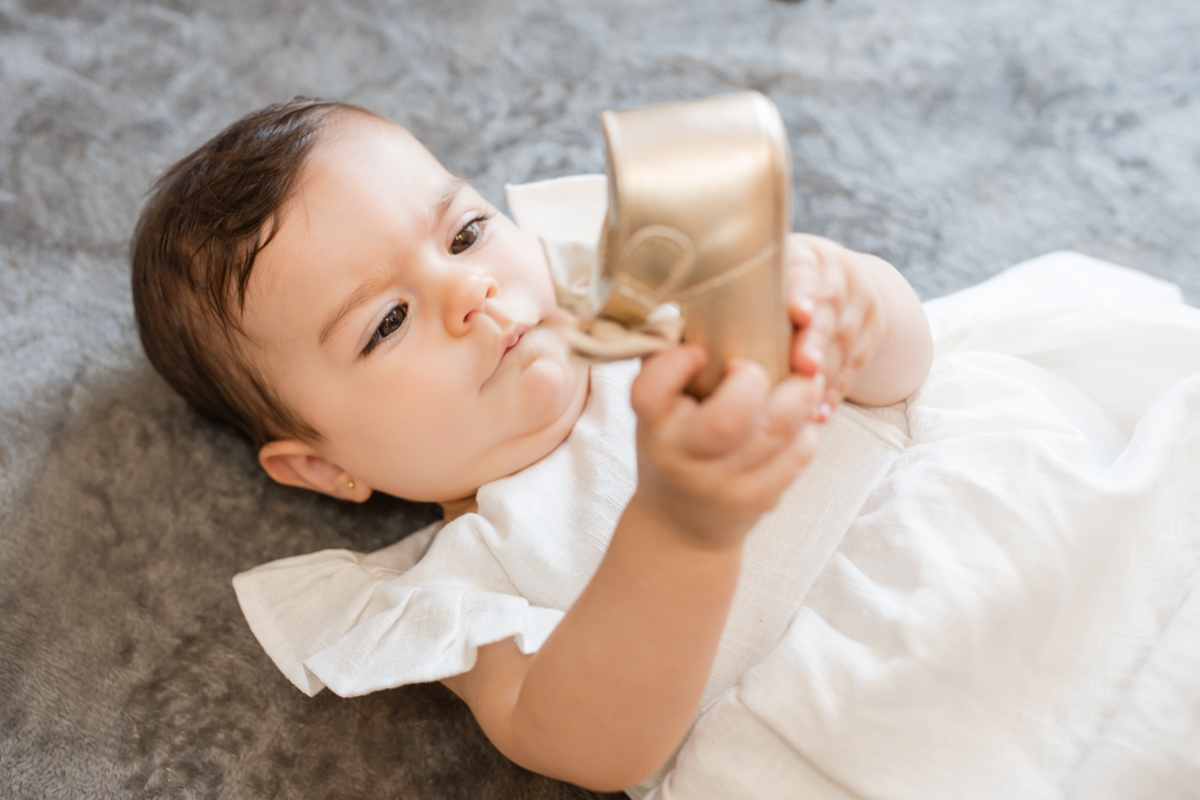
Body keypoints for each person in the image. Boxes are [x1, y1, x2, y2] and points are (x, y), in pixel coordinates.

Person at [133, 98, 1200, 798]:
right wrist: (681, 527)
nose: (470, 293)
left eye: (461, 234)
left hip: (1019, 511)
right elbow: (594, 743)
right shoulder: (471, 577)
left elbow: (910, 371)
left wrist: (846, 299)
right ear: (323, 466)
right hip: (898, 715)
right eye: (385, 323)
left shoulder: (652, 288)